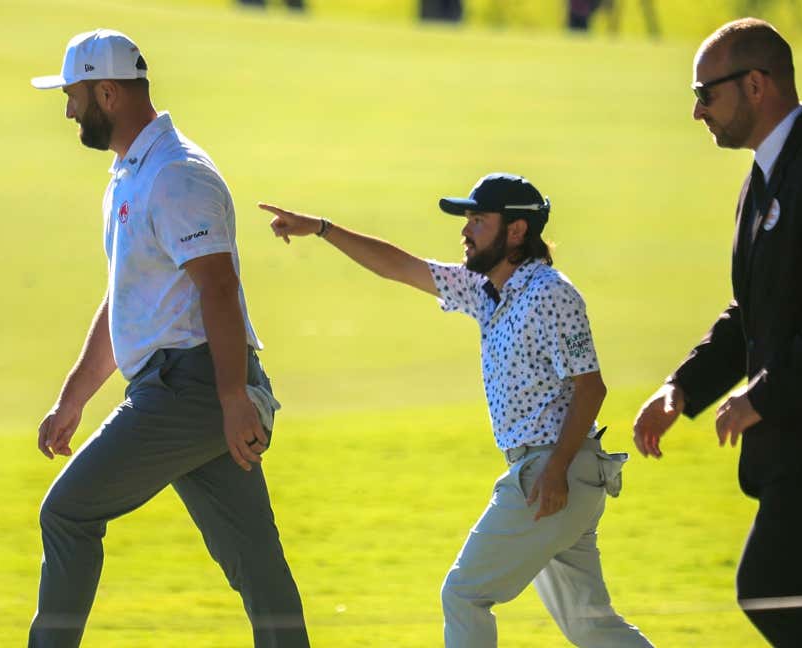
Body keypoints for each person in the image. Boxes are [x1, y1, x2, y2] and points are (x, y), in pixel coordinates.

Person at [260, 174, 651, 647]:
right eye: (467, 220)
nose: (466, 231)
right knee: (593, 626)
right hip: (555, 471)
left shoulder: (551, 293)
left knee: (463, 594)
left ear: (516, 232)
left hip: (552, 471)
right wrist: (322, 228)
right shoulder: (486, 291)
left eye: (479, 221)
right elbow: (400, 267)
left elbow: (591, 389)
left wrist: (555, 470)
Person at [27, 29, 310, 647]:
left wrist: (233, 398)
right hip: (185, 388)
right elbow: (128, 299)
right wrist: (74, 396)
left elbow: (217, 287)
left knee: (68, 512)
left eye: (74, 95)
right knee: (258, 567)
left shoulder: (177, 175)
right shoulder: (130, 174)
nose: (68, 109)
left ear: (108, 93)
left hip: (193, 389)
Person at [632, 18, 802, 647]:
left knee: (768, 588)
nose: (696, 111)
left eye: (705, 93)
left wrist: (760, 396)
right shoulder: (764, 177)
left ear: (757, 84)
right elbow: (753, 311)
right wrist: (683, 388)